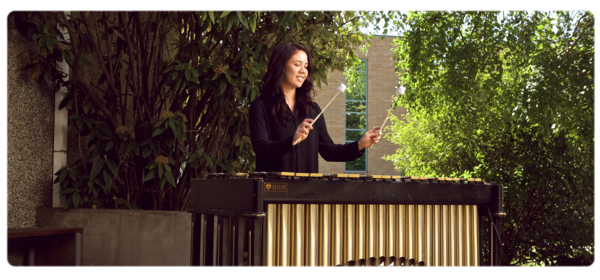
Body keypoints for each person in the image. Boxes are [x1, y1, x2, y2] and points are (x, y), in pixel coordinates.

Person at [249, 42, 381, 173]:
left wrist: (360, 144)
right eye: (297, 65)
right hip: (273, 190)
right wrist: (292, 141)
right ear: (280, 66)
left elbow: (328, 151)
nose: (303, 71)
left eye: (306, 66)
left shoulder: (312, 110)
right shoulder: (260, 106)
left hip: (307, 191)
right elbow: (261, 149)